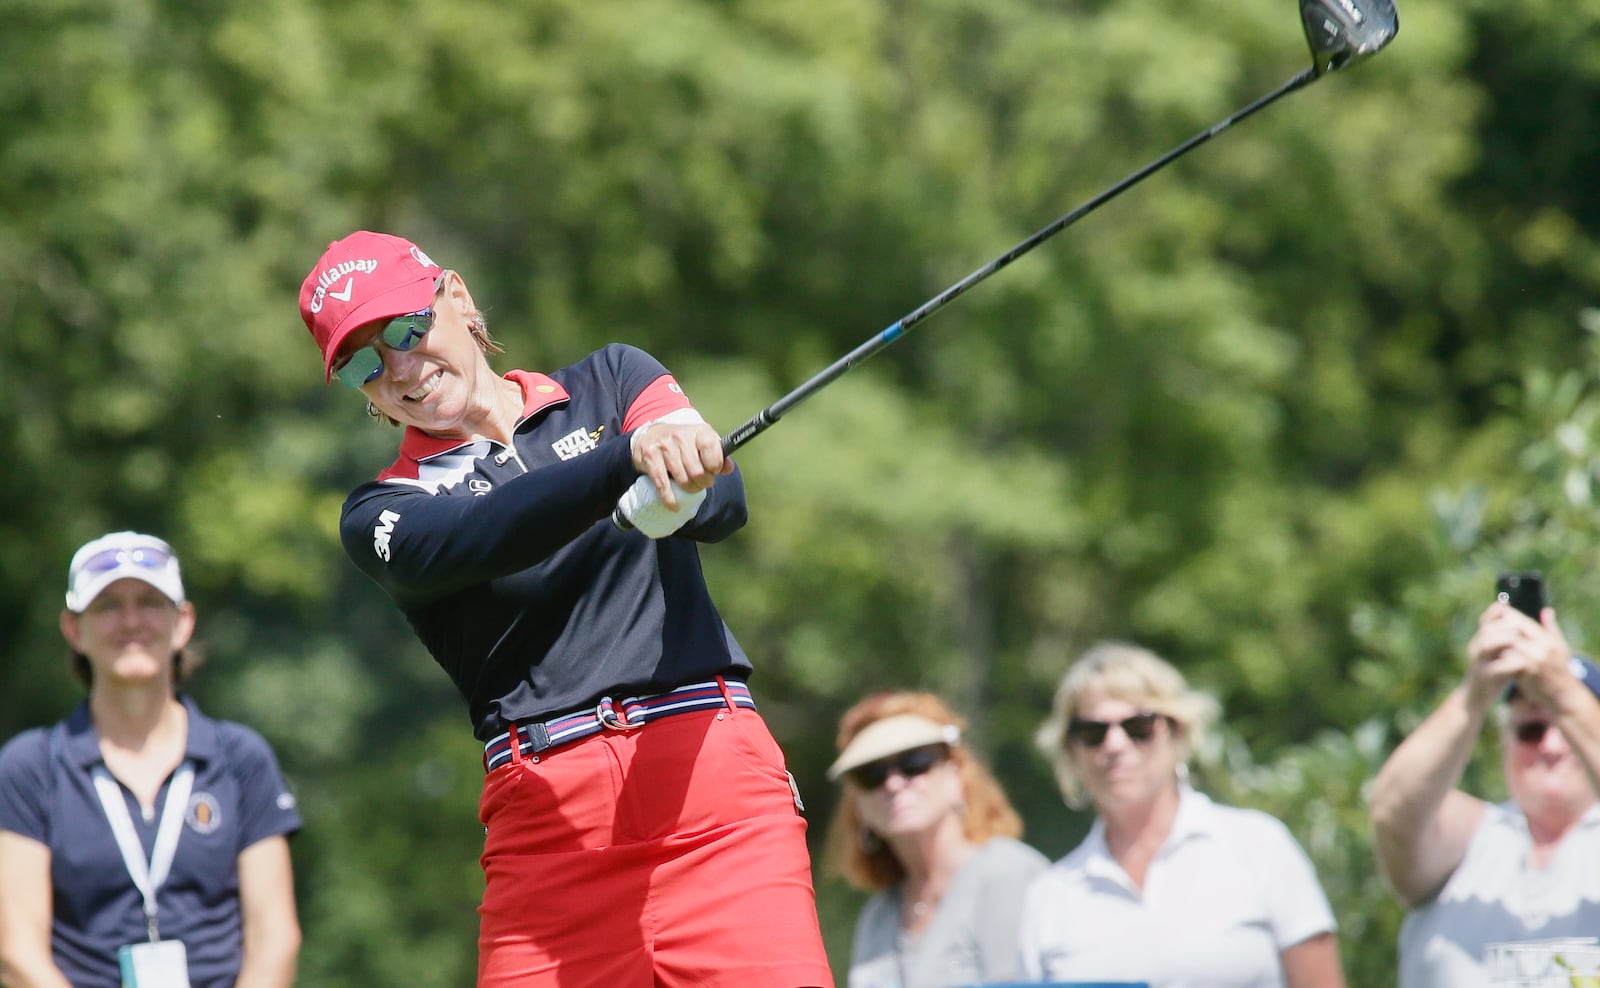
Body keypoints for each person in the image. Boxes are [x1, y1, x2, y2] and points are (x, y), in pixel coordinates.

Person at [294, 230, 833, 987]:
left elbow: (727, 503)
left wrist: (679, 486)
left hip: (712, 792)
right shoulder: (382, 510)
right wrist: (625, 460)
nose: (400, 369)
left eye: (407, 331)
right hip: (549, 830)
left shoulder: (613, 380)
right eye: (362, 364)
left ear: (458, 298)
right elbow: (480, 535)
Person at [0, 531, 302, 988]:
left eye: (149, 601)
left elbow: (275, 939)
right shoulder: (29, 767)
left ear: (182, 622)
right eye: (106, 606)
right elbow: (18, 955)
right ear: (72, 629)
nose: (130, 621)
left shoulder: (241, 758)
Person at [1016, 640, 1345, 988]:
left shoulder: (1259, 846)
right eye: (1093, 733)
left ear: (1177, 732)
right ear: (1071, 751)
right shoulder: (1050, 897)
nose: (1114, 745)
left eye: (1137, 726)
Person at [1368, 596, 1600, 987]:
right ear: (1503, 743)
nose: (1551, 746)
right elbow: (1392, 814)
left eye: (1566, 728)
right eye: (1531, 729)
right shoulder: (1475, 838)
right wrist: (1475, 692)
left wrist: (1562, 692)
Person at [823, 691, 1049, 988]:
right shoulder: (876, 918)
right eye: (871, 774)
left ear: (956, 775)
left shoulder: (1007, 876)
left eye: (914, 763)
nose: (893, 783)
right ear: (857, 805)